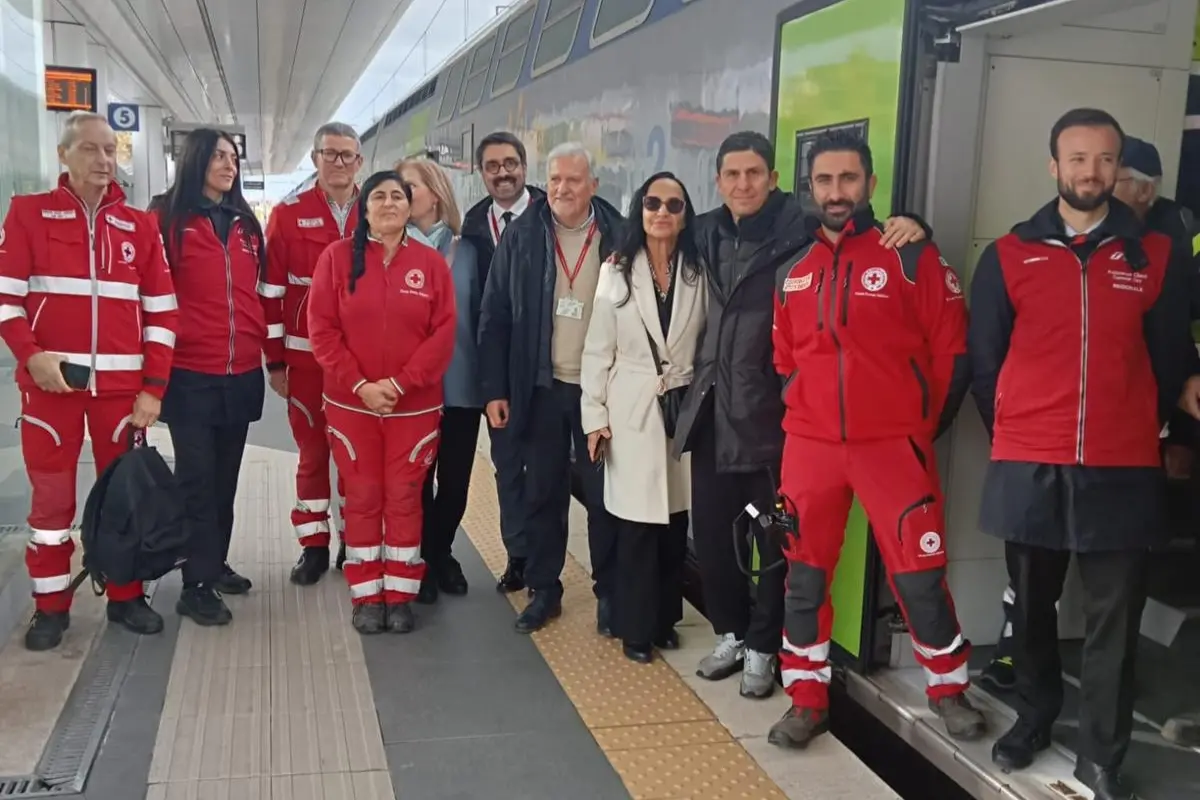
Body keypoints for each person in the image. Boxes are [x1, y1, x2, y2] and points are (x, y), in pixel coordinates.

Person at [968, 107, 1200, 800]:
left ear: (1118, 169)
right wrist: (1011, 430)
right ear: (1055, 166)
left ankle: (1101, 754)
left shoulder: (1154, 255)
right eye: (1077, 159)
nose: (1091, 172)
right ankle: (1034, 717)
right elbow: (986, 363)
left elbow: (1173, 357)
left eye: (1105, 160)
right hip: (1029, 461)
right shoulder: (1009, 255)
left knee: (1113, 624)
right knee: (1032, 609)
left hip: (1123, 466)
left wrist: (1181, 440)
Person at [669, 131, 929, 699]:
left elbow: (859, 227)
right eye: (732, 175)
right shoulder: (705, 231)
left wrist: (911, 222)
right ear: (718, 181)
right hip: (713, 410)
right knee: (713, 536)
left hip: (774, 417)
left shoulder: (801, 230)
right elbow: (646, 231)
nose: (743, 184)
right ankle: (730, 634)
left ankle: (765, 647)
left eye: (754, 173)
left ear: (776, 179)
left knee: (777, 543)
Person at [767, 130, 983, 748]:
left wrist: (914, 426)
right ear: (810, 186)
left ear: (870, 184)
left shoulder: (911, 257)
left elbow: (953, 351)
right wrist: (800, 406)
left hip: (893, 447)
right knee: (804, 577)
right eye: (825, 181)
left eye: (849, 180)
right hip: (809, 451)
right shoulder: (792, 271)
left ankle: (949, 688)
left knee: (918, 574)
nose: (837, 193)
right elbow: (784, 357)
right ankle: (806, 699)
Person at [0, 111, 179, 650]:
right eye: (91, 150)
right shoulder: (29, 215)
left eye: (111, 151)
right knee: (51, 502)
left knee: (124, 497)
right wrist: (30, 357)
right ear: (64, 155)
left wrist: (153, 389)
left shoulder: (139, 226)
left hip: (123, 396)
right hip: (50, 391)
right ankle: (50, 607)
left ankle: (125, 596)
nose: (104, 162)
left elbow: (164, 312)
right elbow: (6, 301)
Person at [478, 142, 623, 634]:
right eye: (556, 179)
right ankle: (545, 589)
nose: (562, 189)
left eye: (574, 181)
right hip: (540, 387)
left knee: (605, 496)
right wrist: (494, 388)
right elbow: (494, 314)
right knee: (542, 491)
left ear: (593, 187)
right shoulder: (522, 235)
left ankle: (610, 594)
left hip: (602, 394)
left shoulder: (620, 236)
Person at [306, 170, 456, 634]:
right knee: (364, 496)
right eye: (379, 196)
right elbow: (322, 331)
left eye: (398, 196)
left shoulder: (430, 264)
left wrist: (401, 383)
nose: (389, 203)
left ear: (410, 208)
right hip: (353, 407)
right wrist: (361, 387)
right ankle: (367, 595)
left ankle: (400, 595)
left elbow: (444, 331)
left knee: (406, 498)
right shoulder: (335, 259)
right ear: (364, 208)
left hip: (413, 408)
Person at [580, 172, 707, 664]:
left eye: (674, 204)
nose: (662, 212)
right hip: (630, 407)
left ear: (685, 214)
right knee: (634, 525)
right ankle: (635, 627)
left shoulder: (698, 269)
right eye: (653, 203)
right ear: (640, 210)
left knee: (674, 522)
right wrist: (595, 418)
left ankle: (664, 620)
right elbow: (597, 350)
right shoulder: (616, 271)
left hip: (681, 405)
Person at [150, 128, 270, 626]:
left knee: (225, 480)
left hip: (240, 371)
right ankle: (193, 584)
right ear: (196, 159)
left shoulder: (244, 224)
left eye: (233, 157)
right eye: (219, 156)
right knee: (196, 481)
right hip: (189, 372)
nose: (229, 165)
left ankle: (213, 563)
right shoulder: (165, 218)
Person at [261, 122, 363, 585]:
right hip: (304, 363)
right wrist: (275, 359)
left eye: (347, 155)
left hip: (362, 366)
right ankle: (314, 545)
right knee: (312, 454)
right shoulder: (288, 213)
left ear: (359, 161)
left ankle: (356, 544)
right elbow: (270, 292)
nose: (338, 162)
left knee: (356, 456)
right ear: (315, 158)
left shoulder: (379, 207)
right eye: (330, 154)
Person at [461, 131, 546, 593]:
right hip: (500, 377)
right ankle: (519, 556)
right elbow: (483, 318)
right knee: (508, 469)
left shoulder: (553, 217)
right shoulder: (472, 231)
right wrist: (490, 387)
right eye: (492, 166)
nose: (502, 173)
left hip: (551, 373)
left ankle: (547, 563)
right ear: (482, 173)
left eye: (510, 163)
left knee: (549, 472)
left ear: (524, 167)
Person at [398, 157, 482, 603]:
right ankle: (423, 561)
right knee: (416, 480)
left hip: (462, 386)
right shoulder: (389, 251)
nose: (402, 196)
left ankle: (440, 550)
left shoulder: (469, 251)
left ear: (434, 192)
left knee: (454, 481)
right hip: (411, 391)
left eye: (409, 188)